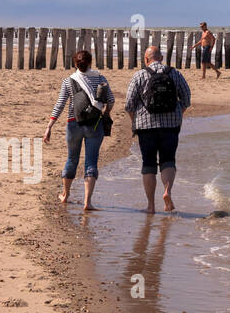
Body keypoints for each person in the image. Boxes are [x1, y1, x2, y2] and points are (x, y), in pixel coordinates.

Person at [44, 50, 114, 211]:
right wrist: (107, 112)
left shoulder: (69, 81)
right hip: (94, 125)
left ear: (75, 64)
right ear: (91, 63)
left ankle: (65, 195)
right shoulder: (100, 78)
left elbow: (60, 104)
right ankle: (87, 202)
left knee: (72, 160)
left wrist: (49, 126)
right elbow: (110, 100)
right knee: (91, 162)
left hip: (73, 124)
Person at [125, 46, 192, 214]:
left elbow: (129, 105)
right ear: (161, 57)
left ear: (146, 60)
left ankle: (151, 206)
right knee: (168, 160)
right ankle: (167, 192)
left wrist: (135, 122)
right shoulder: (174, 74)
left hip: (146, 127)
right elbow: (186, 98)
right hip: (170, 126)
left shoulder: (140, 75)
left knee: (148, 164)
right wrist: (177, 114)